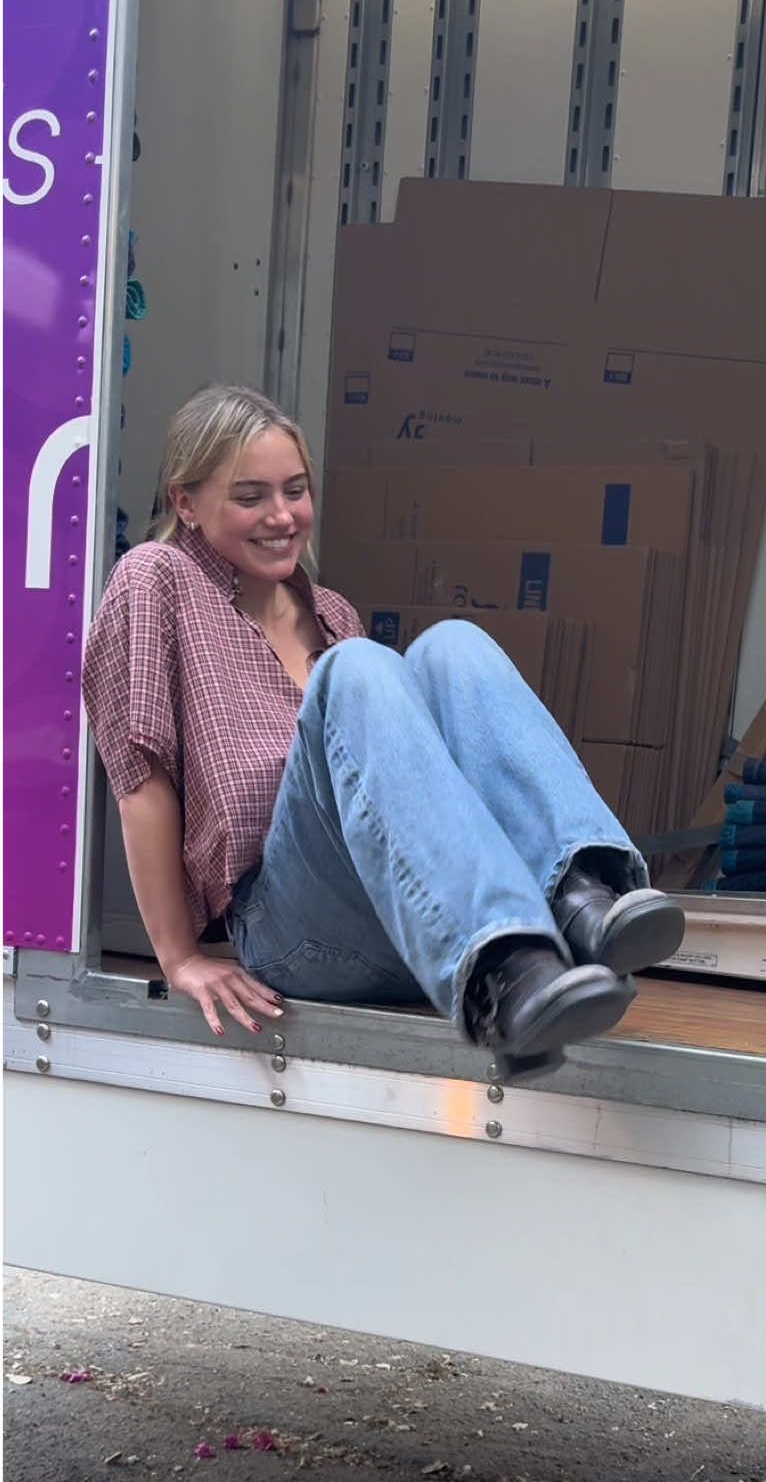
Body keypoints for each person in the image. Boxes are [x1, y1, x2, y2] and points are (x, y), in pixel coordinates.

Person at [82, 385, 685, 1079]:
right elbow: (140, 780)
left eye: (295, 490)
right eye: (250, 497)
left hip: (410, 928)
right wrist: (179, 957)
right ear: (186, 502)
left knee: (454, 645)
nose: (282, 516)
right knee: (360, 666)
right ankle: (505, 978)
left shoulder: (332, 613)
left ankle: (579, 896)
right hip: (291, 930)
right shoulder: (157, 579)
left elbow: (393, 799)